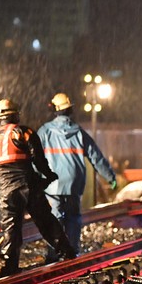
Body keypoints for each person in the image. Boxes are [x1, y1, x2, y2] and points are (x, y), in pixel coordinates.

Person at [0, 99, 77, 276]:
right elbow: (38, 159)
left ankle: (10, 267)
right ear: (15, 114)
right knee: (46, 221)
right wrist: (49, 175)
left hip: (6, 191)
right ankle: (68, 253)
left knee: (11, 229)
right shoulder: (23, 132)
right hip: (29, 185)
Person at [38, 93, 117, 258]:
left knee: (54, 218)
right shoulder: (79, 132)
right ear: (70, 109)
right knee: (73, 217)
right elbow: (96, 157)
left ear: (54, 109)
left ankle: (54, 253)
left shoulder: (45, 131)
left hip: (52, 184)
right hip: (74, 182)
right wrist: (110, 177)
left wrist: (35, 179)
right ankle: (72, 251)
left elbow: (35, 157)